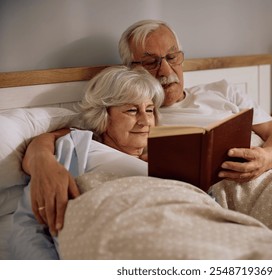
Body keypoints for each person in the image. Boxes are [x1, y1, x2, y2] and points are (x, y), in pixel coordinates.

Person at [23, 19, 272, 236]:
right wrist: (42, 162)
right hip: (228, 198)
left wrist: (266, 158)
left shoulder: (223, 90)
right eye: (151, 61)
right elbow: (63, 137)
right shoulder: (123, 116)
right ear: (131, 68)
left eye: (172, 56)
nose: (165, 70)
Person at [10, 65, 165, 259]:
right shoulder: (75, 148)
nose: (145, 121)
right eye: (132, 110)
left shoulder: (163, 156)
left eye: (149, 110)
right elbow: (28, 226)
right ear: (103, 116)